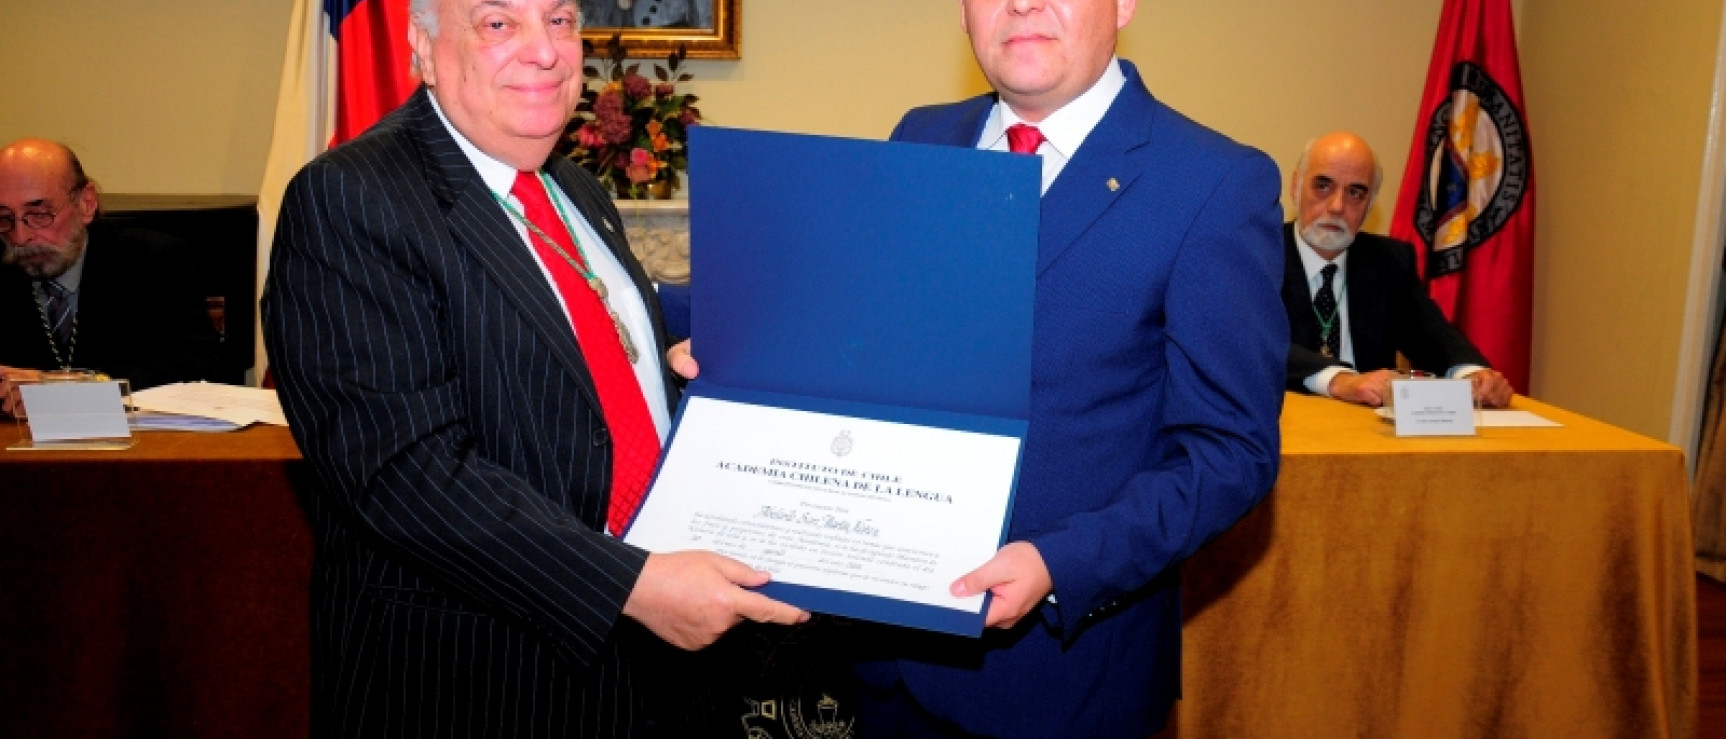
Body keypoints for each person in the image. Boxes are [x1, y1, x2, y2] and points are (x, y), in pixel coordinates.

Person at [682, 1, 1283, 736]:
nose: (1022, 3)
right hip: (888, 663)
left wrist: (1060, 563)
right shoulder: (924, 135)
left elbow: (1231, 452)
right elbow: (874, 344)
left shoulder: (1213, 183)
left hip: (1060, 681)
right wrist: (755, 360)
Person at [260, 0, 805, 736]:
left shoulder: (573, 189)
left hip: (649, 676)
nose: (545, 51)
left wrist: (673, 377)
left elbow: (578, 388)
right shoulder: (352, 196)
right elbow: (402, 469)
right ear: (423, 47)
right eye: (497, 23)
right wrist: (630, 585)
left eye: (559, 20)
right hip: (478, 682)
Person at [1282, 131, 1514, 408]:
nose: (1337, 206)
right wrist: (1339, 380)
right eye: (1323, 186)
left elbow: (1433, 337)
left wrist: (1473, 374)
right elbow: (1255, 346)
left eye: (1355, 192)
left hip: (1371, 435)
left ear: (1370, 205)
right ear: (1296, 186)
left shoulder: (1388, 260)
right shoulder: (1255, 256)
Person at [0, 139, 225, 414]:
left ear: (86, 203)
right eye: (4, 218)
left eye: (39, 214)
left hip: (131, 444)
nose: (20, 237)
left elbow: (201, 363)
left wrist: (80, 385)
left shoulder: (153, 260)